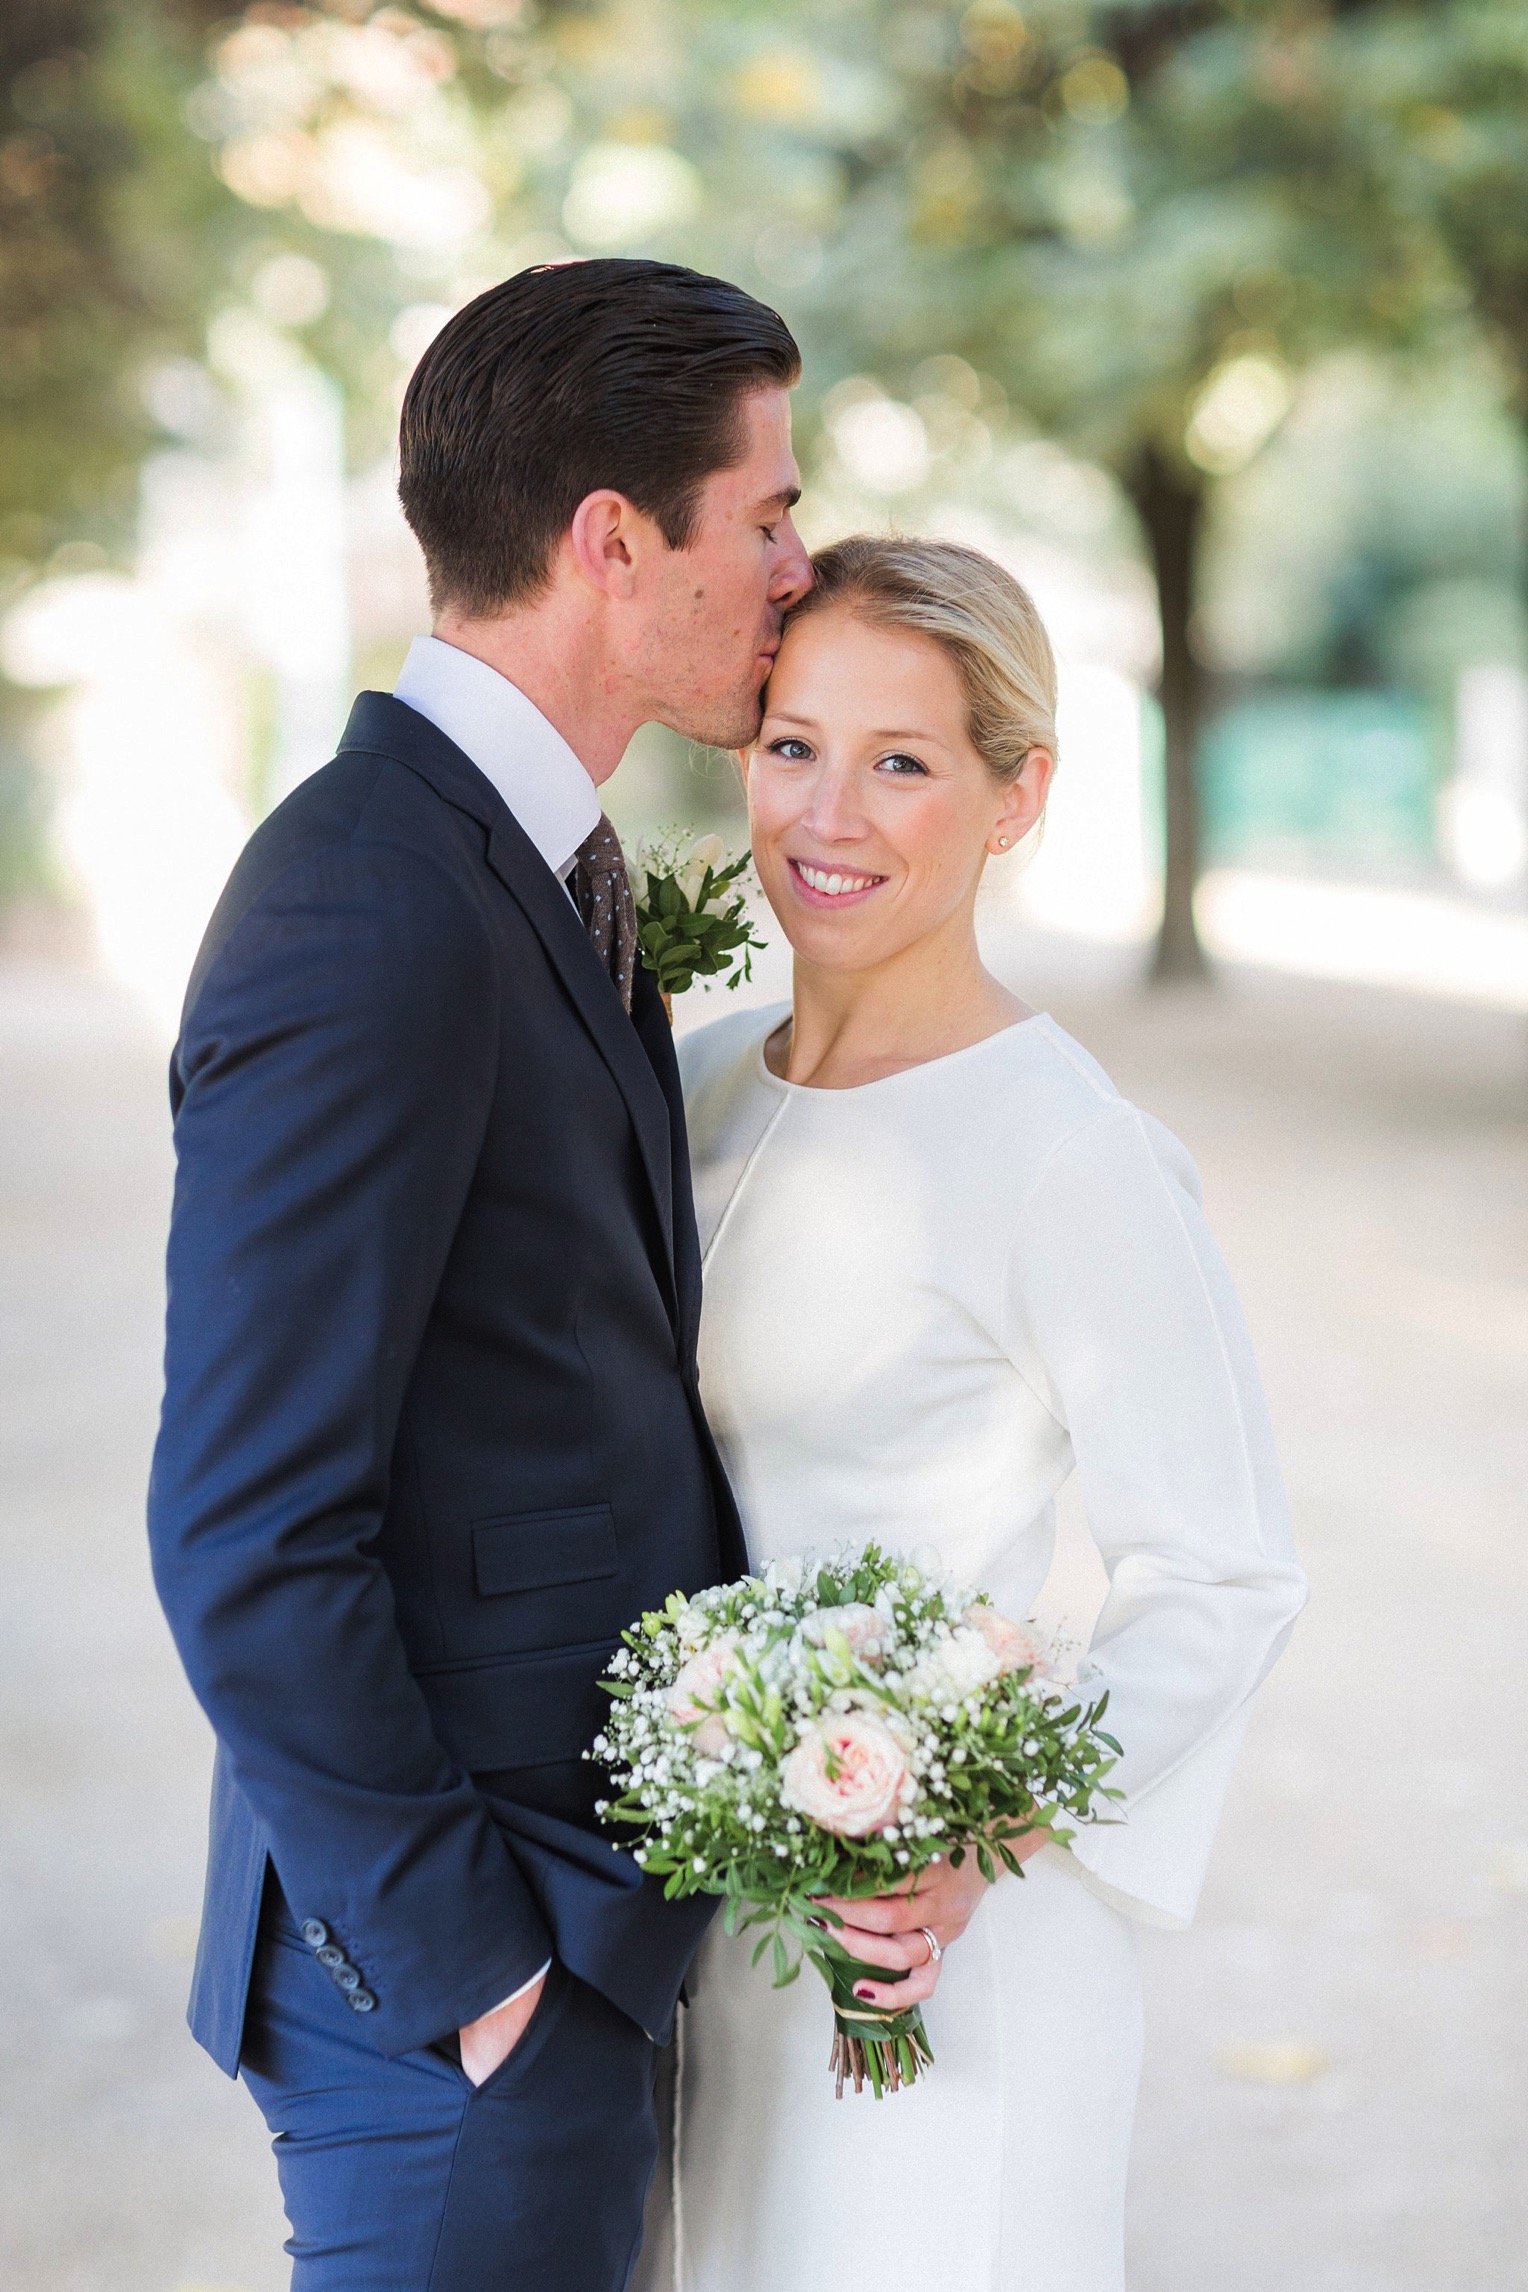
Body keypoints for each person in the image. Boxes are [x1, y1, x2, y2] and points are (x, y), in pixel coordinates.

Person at [146, 258, 811, 2291]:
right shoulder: (372, 906)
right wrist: (480, 1978)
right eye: (767, 515)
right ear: (618, 541)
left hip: (559, 1927)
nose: (799, 566)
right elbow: (245, 1528)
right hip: (449, 1979)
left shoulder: (530, 864)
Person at [669, 537, 1309, 2292]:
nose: (829, 814)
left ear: (1016, 795)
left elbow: (1227, 1573)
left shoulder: (1068, 1156)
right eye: (793, 743)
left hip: (938, 1952)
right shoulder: (692, 1082)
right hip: (710, 1921)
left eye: (903, 762)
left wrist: (971, 1833)